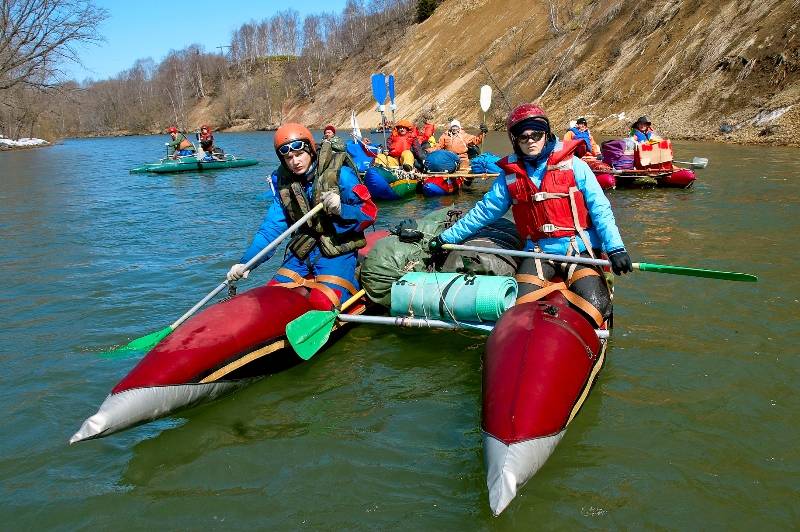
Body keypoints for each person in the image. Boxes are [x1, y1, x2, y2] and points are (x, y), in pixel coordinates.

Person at [428, 104, 632, 326]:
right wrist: (446, 238)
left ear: (546, 134)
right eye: (523, 137)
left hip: (578, 251)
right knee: (519, 310)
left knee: (597, 304)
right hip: (537, 253)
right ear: (515, 140)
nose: (530, 140)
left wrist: (616, 248)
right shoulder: (509, 177)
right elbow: (482, 213)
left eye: (536, 134)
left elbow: (601, 210)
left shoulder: (576, 166)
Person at [226, 123, 378, 309]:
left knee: (322, 302)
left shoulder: (342, 174)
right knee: (272, 294)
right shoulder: (284, 184)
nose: (295, 161)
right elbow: (270, 230)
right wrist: (246, 263)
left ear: (311, 151)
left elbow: (369, 213)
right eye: (288, 157)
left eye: (299, 154)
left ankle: (354, 279)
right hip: (305, 248)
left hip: (338, 248)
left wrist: (341, 209)